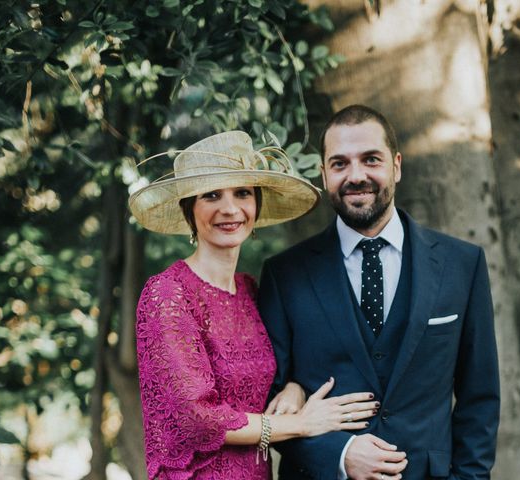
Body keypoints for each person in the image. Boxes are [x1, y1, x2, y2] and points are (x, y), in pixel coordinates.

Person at [258, 105, 500, 480]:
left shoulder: (461, 265)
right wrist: (339, 455)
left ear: (396, 165)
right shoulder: (284, 275)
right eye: (339, 164)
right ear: (324, 175)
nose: (356, 176)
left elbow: (479, 399)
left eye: (371, 159)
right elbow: (268, 404)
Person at [129, 131, 380, 480]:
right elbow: (197, 419)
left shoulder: (249, 290)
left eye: (242, 193)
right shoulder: (168, 294)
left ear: (256, 204)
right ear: (189, 208)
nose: (230, 209)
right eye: (212, 195)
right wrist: (300, 424)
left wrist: (294, 386)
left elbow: (274, 370)